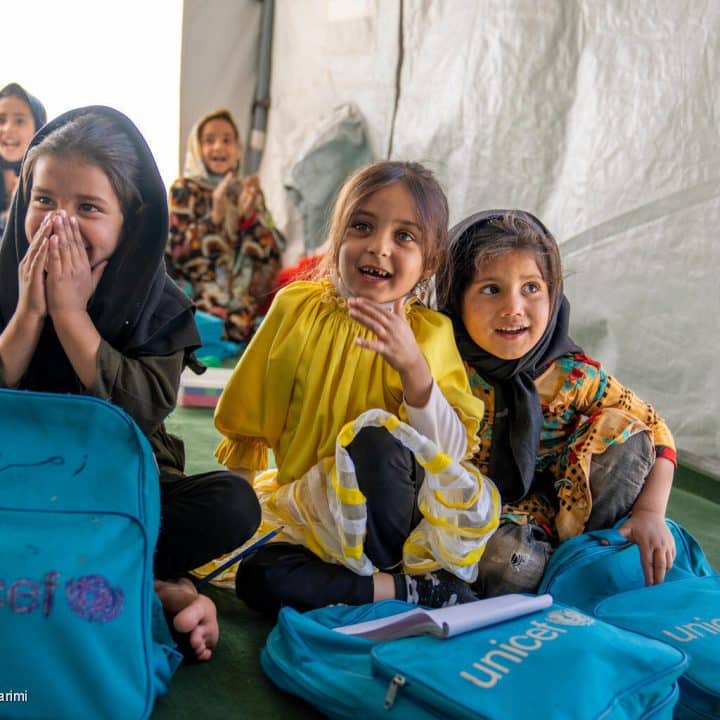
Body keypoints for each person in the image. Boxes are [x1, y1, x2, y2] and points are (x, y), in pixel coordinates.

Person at [0, 106, 261, 660]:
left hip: (118, 485)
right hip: (18, 476)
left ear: (131, 221)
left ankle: (94, 563)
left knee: (233, 504)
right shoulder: (6, 276)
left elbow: (140, 411)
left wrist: (71, 318)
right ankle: (152, 582)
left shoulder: (157, 304)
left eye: (88, 207)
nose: (57, 223)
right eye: (43, 199)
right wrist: (28, 315)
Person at [214, 161, 500, 615]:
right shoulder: (294, 309)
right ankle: (406, 592)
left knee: (372, 440)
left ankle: (390, 576)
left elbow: (450, 451)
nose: (378, 247)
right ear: (338, 235)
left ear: (430, 261)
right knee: (258, 576)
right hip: (313, 519)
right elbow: (246, 422)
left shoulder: (429, 334)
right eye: (361, 226)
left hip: (395, 533)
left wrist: (413, 370)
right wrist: (234, 523)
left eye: (404, 236)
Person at [436, 209, 677, 596]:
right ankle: (560, 574)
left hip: (561, 513)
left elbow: (656, 428)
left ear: (553, 293)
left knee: (629, 436)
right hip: (471, 515)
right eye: (491, 289)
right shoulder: (440, 366)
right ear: (454, 298)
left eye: (531, 288)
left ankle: (579, 553)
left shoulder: (571, 376)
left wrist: (651, 513)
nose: (513, 307)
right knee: (511, 566)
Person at [166, 109, 283, 344]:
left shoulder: (249, 192)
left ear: (237, 149)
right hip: (199, 314)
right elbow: (176, 255)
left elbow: (270, 260)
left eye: (227, 140)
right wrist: (215, 219)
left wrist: (249, 219)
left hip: (244, 317)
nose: (219, 147)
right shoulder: (184, 190)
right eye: (209, 140)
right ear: (197, 148)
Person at [0, 82, 46, 236]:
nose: (7, 129)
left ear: (37, 128)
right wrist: (8, 216)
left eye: (19, 121)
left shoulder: (49, 178)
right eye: (1, 120)